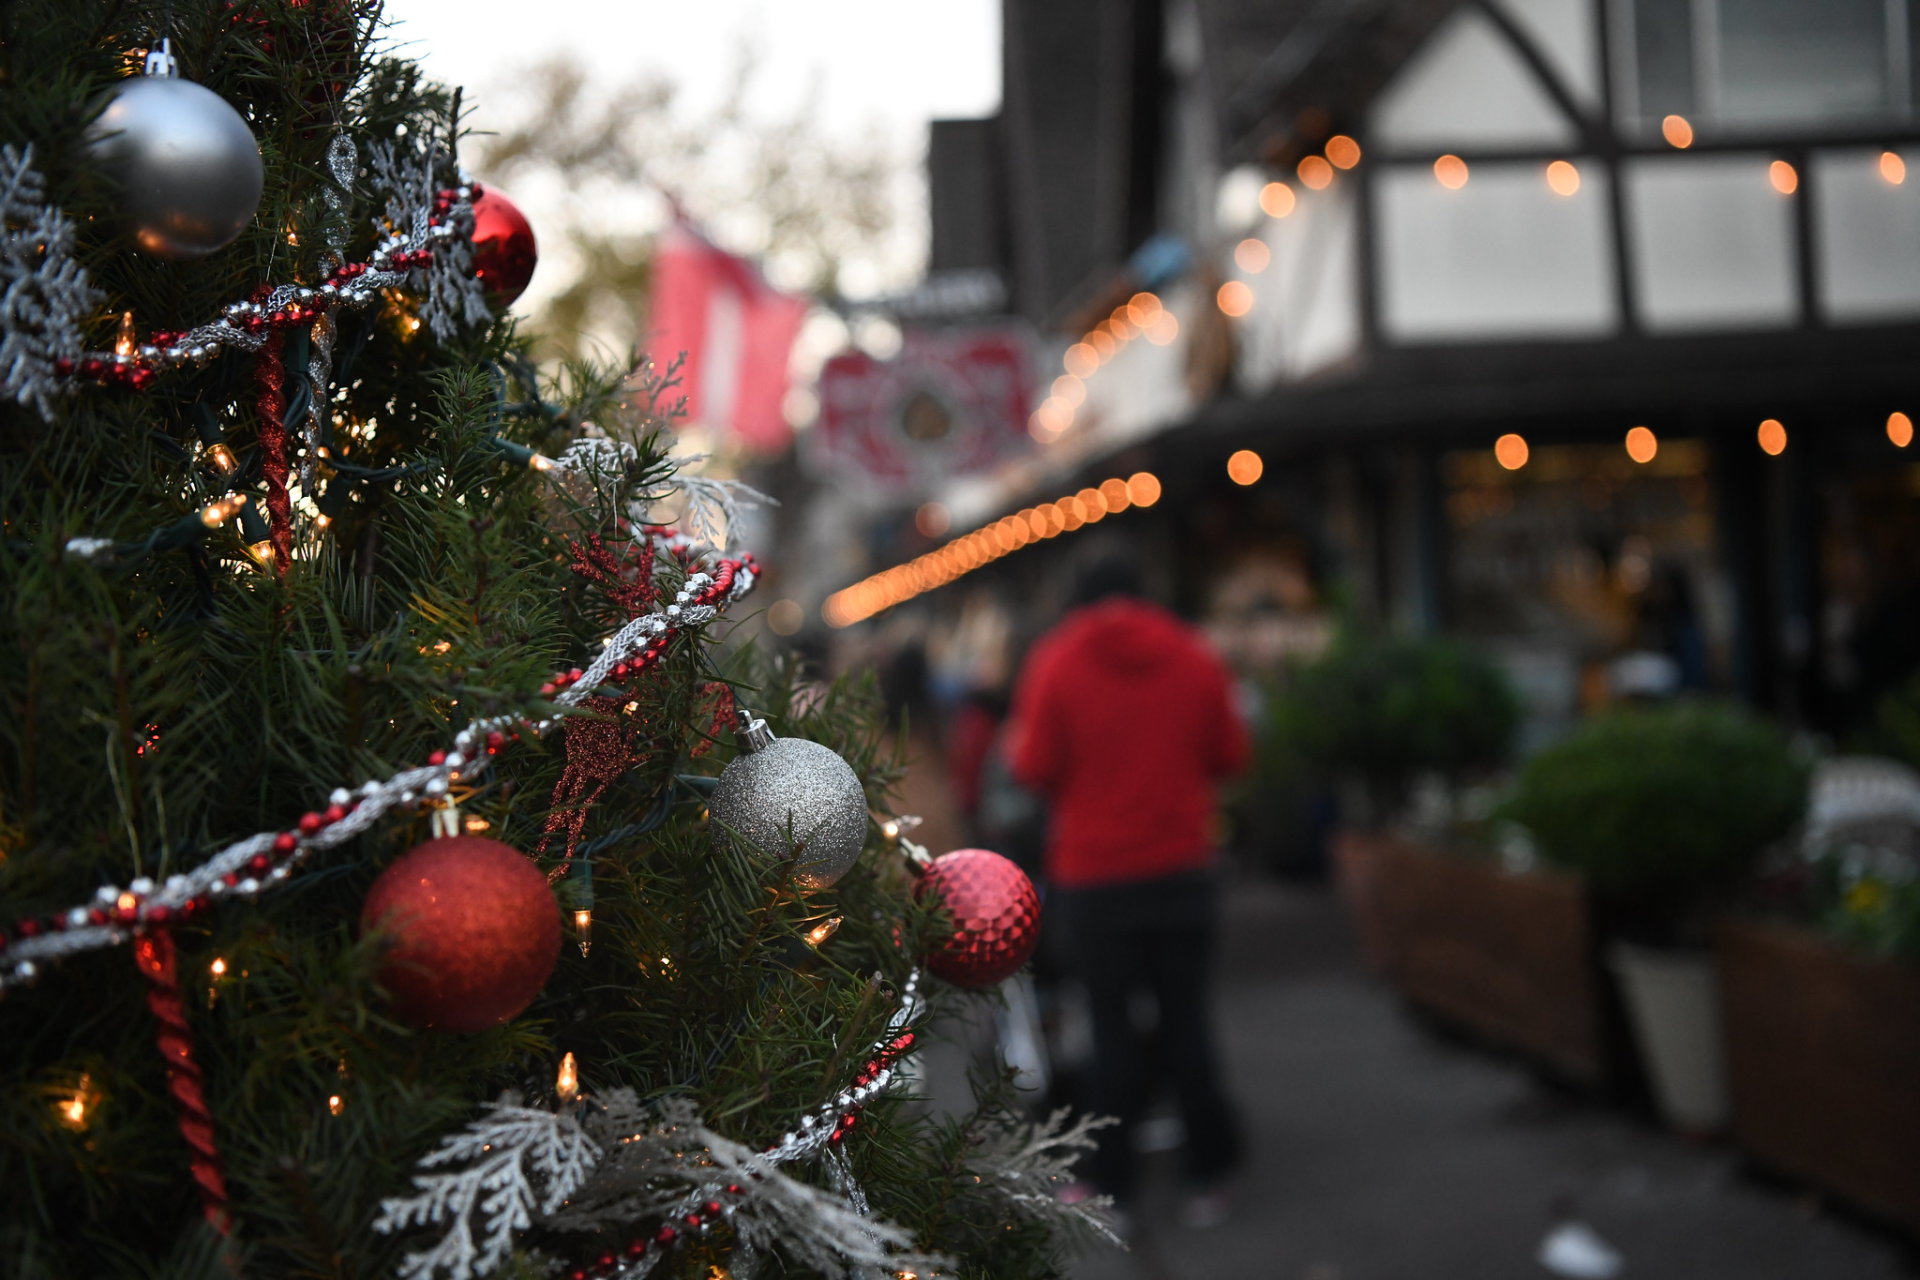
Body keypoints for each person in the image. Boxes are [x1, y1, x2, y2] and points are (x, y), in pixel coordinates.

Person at [1007, 550, 1250, 1226]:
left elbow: (1033, 765)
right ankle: (1210, 1176)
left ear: (1079, 599)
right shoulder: (1194, 655)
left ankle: (1113, 1183)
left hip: (1095, 879)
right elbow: (1230, 755)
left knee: (1109, 1034)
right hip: (1183, 871)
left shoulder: (1055, 661)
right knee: (1188, 1024)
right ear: (1145, 594)